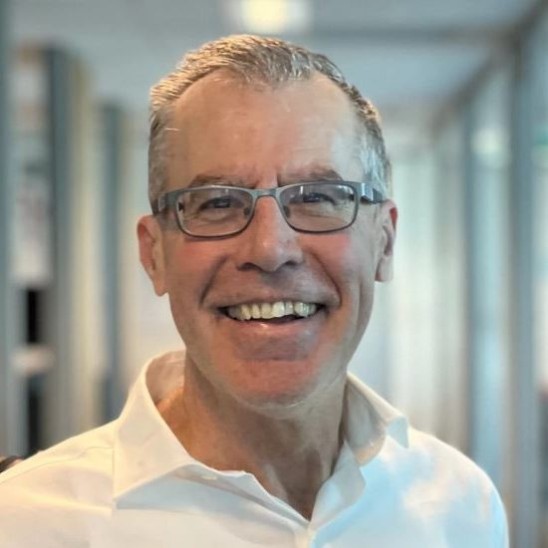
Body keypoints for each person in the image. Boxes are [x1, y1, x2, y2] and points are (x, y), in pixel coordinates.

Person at [0, 35, 508, 546]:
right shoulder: (26, 524)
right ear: (154, 254)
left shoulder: (460, 506)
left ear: (384, 241)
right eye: (218, 203)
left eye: (318, 197)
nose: (269, 248)